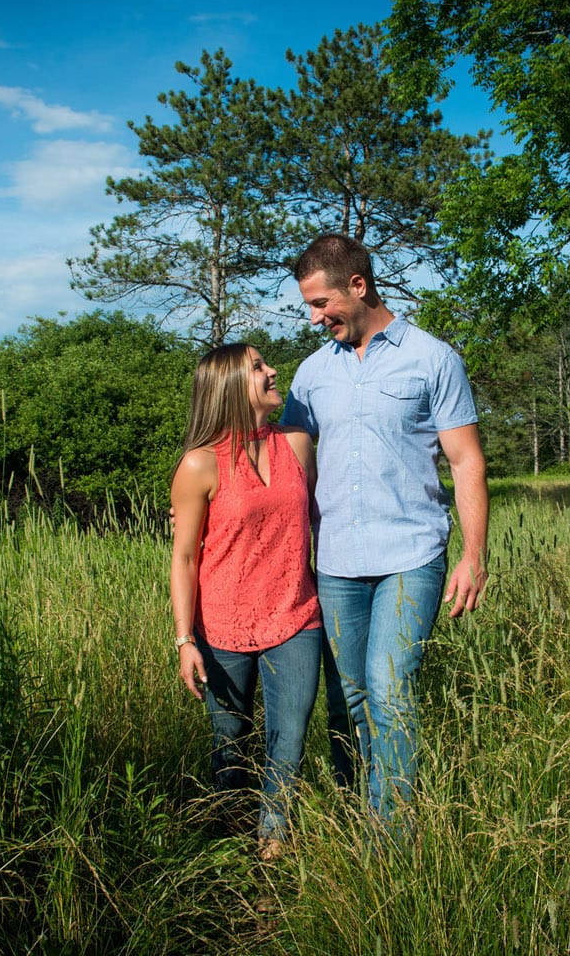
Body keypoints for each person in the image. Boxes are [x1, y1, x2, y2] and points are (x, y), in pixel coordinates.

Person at [281, 233, 489, 827]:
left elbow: (466, 460)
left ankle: (391, 840)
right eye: (309, 307)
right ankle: (354, 818)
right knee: (350, 701)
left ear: (358, 286)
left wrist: (473, 554)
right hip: (339, 561)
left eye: (322, 304)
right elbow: (285, 463)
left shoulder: (433, 359)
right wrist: (201, 495)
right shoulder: (312, 373)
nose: (316, 318)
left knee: (390, 689)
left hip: (411, 553)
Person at [169, 343, 322, 858]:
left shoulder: (297, 444)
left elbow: (323, 517)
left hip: (297, 616)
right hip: (223, 629)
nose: (272, 370)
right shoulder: (198, 465)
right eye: (258, 367)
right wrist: (185, 639)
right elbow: (185, 556)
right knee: (228, 744)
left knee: (289, 741)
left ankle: (273, 846)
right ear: (230, 386)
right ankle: (225, 845)